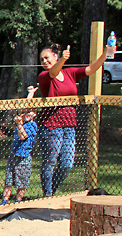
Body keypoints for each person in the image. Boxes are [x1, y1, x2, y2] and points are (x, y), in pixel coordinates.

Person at [37, 43, 107, 196]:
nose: (44, 61)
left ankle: (50, 191)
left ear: (55, 56)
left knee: (67, 164)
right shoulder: (44, 76)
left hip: (69, 126)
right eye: (42, 59)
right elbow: (53, 74)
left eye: (47, 58)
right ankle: (47, 196)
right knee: (49, 162)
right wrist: (62, 60)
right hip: (51, 126)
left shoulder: (70, 73)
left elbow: (90, 69)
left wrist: (105, 55)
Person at [1, 86, 39, 205]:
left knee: (21, 182)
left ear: (35, 114)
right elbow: (25, 105)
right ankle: (5, 201)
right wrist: (30, 93)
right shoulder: (23, 121)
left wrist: (18, 124)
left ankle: (18, 201)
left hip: (24, 158)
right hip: (13, 156)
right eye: (24, 112)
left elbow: (23, 136)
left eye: (30, 111)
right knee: (9, 180)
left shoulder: (32, 125)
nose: (26, 113)